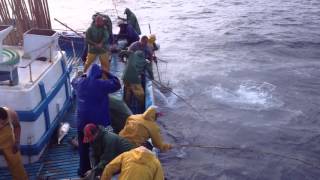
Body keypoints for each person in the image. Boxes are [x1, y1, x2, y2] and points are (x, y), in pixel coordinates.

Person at [71, 64, 121, 177]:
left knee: (83, 147)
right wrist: (108, 73)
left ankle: (84, 170)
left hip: (81, 122)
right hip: (96, 123)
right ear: (99, 75)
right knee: (99, 147)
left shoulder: (79, 82)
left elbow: (73, 80)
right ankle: (98, 173)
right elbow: (117, 84)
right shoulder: (101, 84)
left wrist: (84, 76)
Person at [0, 107, 28, 180]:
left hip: (7, 138)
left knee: (16, 163)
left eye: (3, 123)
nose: (1, 126)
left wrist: (17, 142)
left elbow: (17, 126)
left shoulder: (11, 113)